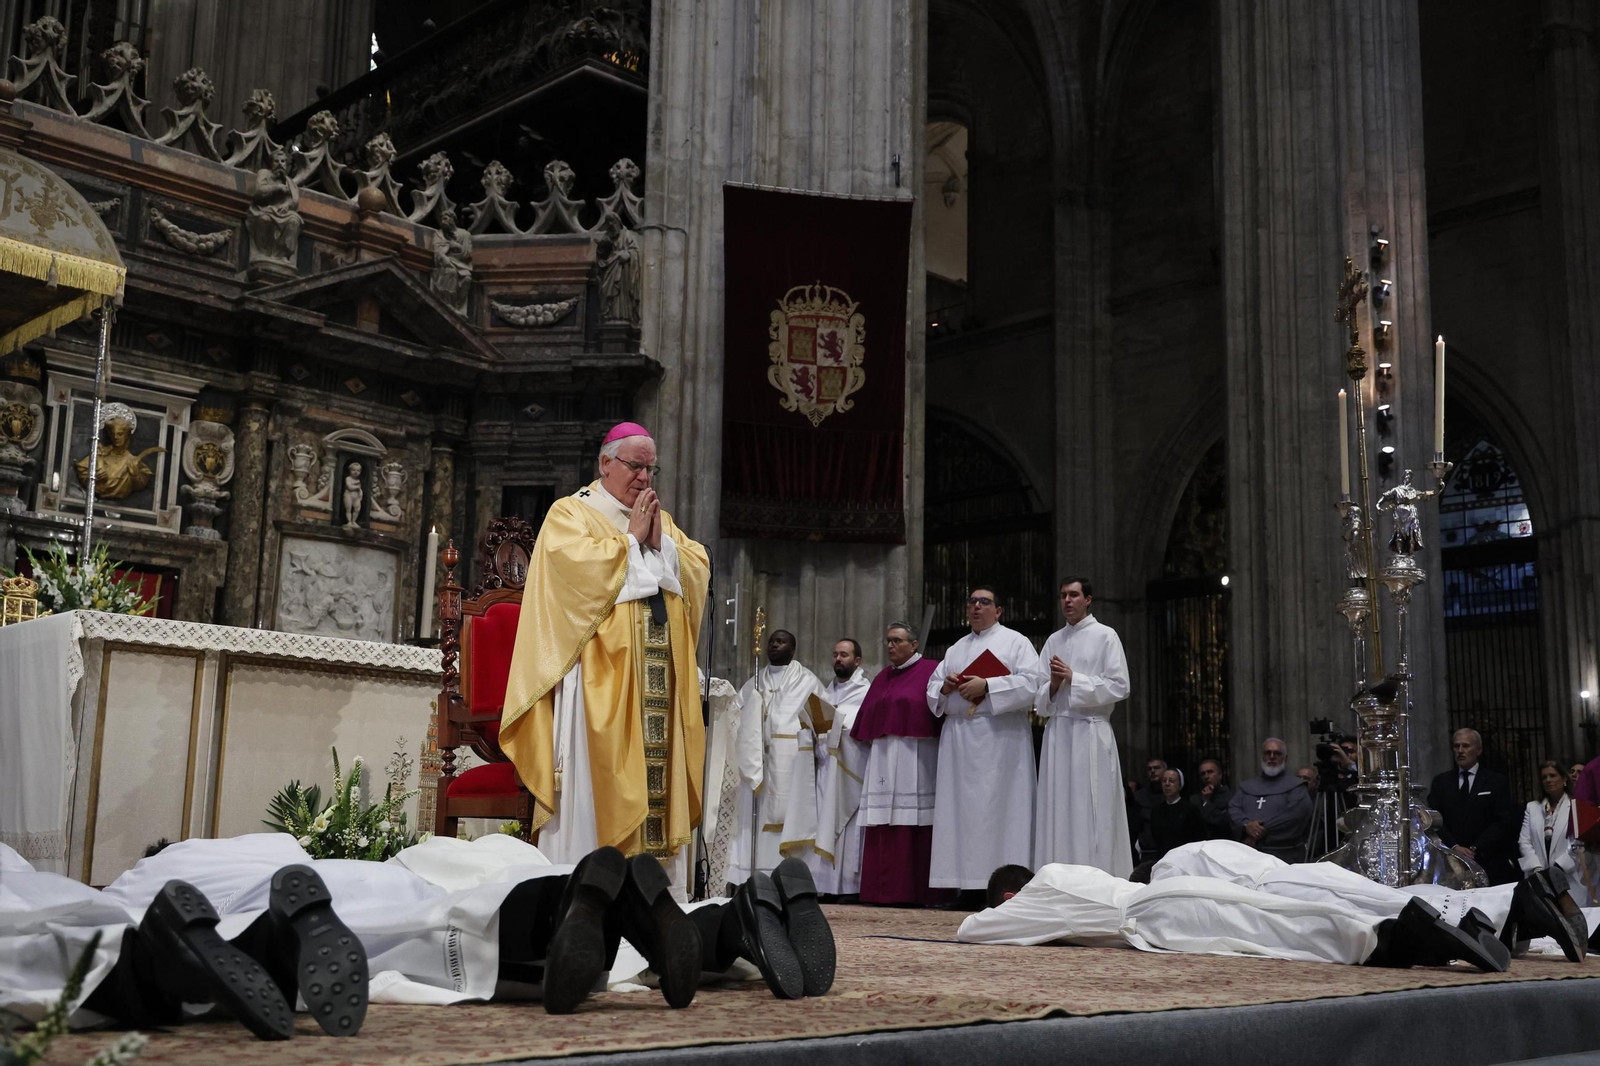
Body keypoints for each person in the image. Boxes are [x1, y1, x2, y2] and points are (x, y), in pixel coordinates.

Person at [500, 422, 711, 896]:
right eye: (636, 466)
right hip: (596, 682)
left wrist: (663, 545)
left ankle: (659, 899)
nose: (644, 478)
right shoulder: (571, 513)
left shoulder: (658, 516)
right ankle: (591, 889)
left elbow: (696, 564)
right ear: (606, 463)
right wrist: (630, 543)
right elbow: (570, 575)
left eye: (650, 468)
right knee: (597, 786)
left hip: (656, 676)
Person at [956, 860, 1509, 971]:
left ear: (1010, 897)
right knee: (1282, 916)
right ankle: (1439, 935)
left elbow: (969, 930)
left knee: (1279, 932)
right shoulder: (1065, 869)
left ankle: (1397, 940)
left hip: (1159, 916)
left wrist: (996, 913)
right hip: (1170, 897)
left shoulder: (1035, 897)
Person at [927, 586, 1046, 900]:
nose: (976, 607)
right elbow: (932, 690)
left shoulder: (1016, 642)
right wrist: (946, 686)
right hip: (961, 744)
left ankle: (1002, 889)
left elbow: (1033, 684)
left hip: (1001, 743)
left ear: (999, 610)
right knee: (962, 814)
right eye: (972, 602)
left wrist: (989, 685)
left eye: (984, 602)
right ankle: (966, 888)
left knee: (1001, 813)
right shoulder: (955, 649)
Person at [1032, 577, 1132, 877]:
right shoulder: (1053, 641)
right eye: (1063, 595)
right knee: (1058, 810)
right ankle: (1057, 879)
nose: (1067, 601)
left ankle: (1096, 878)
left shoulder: (1106, 636)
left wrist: (1075, 678)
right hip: (1059, 733)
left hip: (1090, 732)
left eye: (1074, 595)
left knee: (1091, 809)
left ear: (1088, 599)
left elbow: (1119, 686)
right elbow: (1038, 699)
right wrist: (1052, 685)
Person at [850, 622, 948, 905]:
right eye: (888, 641)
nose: (891, 646)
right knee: (883, 821)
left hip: (915, 758)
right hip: (883, 757)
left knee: (913, 821)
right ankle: (879, 892)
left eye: (897, 641)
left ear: (914, 644)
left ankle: (916, 891)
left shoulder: (931, 670)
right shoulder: (882, 677)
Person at [730, 629, 833, 882]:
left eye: (781, 641)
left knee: (791, 814)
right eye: (772, 641)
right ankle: (752, 875)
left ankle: (789, 877)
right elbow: (734, 718)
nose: (775, 645)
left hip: (793, 764)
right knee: (757, 816)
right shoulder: (754, 681)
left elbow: (825, 721)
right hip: (760, 763)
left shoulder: (808, 681)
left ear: (793, 649)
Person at [810, 639, 872, 897]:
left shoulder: (866, 691)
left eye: (844, 655)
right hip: (827, 768)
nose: (838, 659)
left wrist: (838, 722)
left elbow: (862, 725)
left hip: (851, 770)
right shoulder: (826, 692)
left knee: (847, 828)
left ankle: (848, 887)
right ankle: (825, 887)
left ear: (857, 661)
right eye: (835, 654)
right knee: (824, 824)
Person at [1428, 728, 1523, 885]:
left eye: (1466, 746)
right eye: (1456, 746)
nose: (1460, 751)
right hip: (1451, 861)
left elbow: (1503, 820)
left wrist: (1475, 848)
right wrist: (1454, 846)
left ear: (1478, 750)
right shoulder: (1441, 782)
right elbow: (1435, 820)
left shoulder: (1495, 781)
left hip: (1488, 859)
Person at [1518, 760, 1599, 906]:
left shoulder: (1575, 805)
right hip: (1538, 877)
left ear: (1564, 779)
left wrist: (1558, 868)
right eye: (1544, 777)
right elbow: (1524, 841)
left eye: (1553, 776)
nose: (1548, 780)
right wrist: (1537, 868)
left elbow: (1578, 840)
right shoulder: (1533, 807)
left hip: (1568, 876)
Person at [1228, 738, 1312, 862]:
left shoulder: (1297, 786)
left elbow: (1294, 816)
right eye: (1267, 753)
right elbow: (1233, 809)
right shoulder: (1247, 786)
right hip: (1249, 855)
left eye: (1277, 753)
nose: (1272, 757)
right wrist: (1246, 825)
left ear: (1285, 758)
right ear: (1262, 756)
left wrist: (1256, 832)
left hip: (1284, 855)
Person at [1128, 756, 1167, 859]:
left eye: (1156, 768)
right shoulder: (1138, 797)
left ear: (1165, 770)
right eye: (1149, 769)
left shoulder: (1170, 795)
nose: (1152, 771)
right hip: (1145, 849)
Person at [1190, 758, 1234, 840]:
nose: (1206, 776)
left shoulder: (1231, 797)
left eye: (1210, 772)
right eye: (1203, 774)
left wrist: (1207, 802)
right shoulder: (1194, 799)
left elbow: (1223, 822)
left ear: (1220, 775)